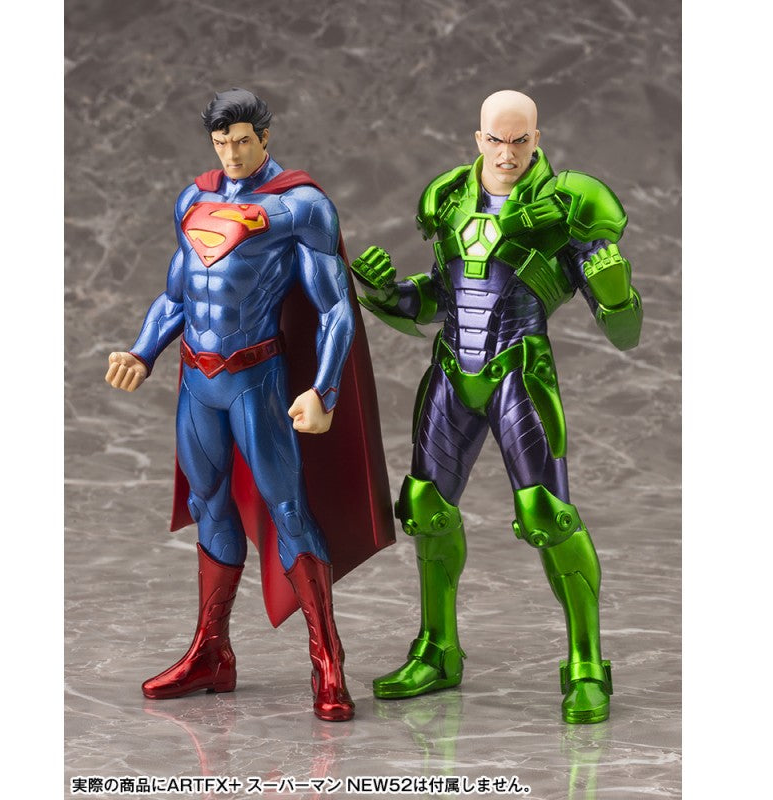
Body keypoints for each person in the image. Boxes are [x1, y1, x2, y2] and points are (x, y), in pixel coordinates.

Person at [351, 90, 642, 724]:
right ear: (478, 139)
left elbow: (625, 333)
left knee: (547, 513)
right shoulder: (450, 197)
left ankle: (587, 666)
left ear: (536, 139)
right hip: (453, 369)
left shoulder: (569, 205)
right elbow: (439, 296)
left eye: (520, 140)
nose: (507, 153)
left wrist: (617, 293)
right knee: (425, 506)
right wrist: (384, 293)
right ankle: (437, 651)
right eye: (496, 140)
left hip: (519, 371)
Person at [105, 88, 394, 722]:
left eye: (242, 141)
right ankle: (212, 653)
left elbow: (335, 309)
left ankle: (327, 661)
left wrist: (324, 389)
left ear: (264, 136)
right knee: (209, 504)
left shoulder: (299, 206)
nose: (231, 154)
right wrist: (143, 351)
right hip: (197, 382)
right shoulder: (194, 198)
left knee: (289, 509)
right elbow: (176, 296)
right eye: (221, 142)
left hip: (255, 380)